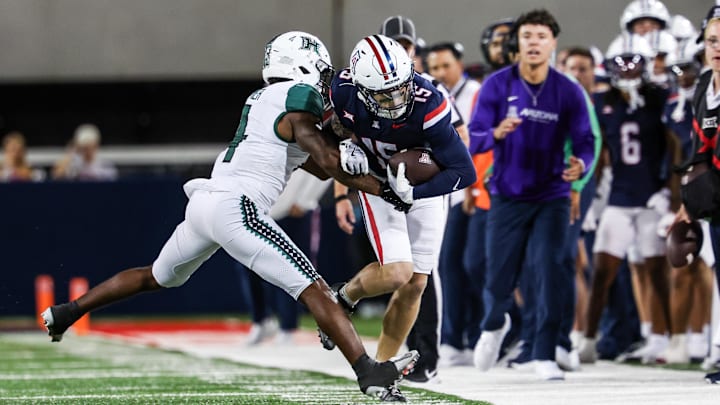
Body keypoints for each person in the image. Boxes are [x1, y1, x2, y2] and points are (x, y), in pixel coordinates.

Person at [41, 31, 418, 401]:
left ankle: (66, 312)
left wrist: (352, 162)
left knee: (155, 276)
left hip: (206, 204)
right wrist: (384, 188)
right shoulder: (296, 95)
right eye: (321, 73)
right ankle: (369, 371)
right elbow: (325, 158)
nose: (325, 83)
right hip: (236, 207)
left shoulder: (265, 100)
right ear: (303, 67)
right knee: (314, 288)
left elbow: (319, 167)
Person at [321, 34, 476, 376]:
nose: (394, 99)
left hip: (423, 185)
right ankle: (345, 295)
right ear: (362, 88)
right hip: (376, 183)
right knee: (397, 272)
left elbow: (465, 172)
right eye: (382, 94)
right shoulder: (342, 91)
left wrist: (414, 194)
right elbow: (324, 136)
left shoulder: (429, 100)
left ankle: (381, 370)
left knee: (417, 282)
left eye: (399, 88)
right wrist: (345, 147)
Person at [467, 9, 595, 380]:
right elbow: (473, 137)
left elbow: (586, 141)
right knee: (498, 276)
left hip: (553, 194)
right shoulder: (496, 85)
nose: (534, 43)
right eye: (527, 37)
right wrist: (496, 135)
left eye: (541, 36)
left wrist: (581, 166)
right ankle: (494, 324)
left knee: (550, 269)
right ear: (518, 44)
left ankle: (544, 353)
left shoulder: (567, 89)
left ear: (553, 43)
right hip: (507, 194)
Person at [577, 32, 677, 365]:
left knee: (656, 271)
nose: (630, 71)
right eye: (623, 64)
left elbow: (675, 147)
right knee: (602, 271)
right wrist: (593, 198)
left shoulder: (662, 98)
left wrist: (670, 193)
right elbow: (601, 154)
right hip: (619, 199)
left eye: (636, 64)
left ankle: (667, 339)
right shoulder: (605, 104)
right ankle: (589, 340)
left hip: (653, 200)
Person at [425, 41, 485, 369]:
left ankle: (471, 335)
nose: (440, 73)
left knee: (468, 266)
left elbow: (478, 142)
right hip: (446, 191)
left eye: (445, 66)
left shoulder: (474, 93)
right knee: (449, 267)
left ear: (460, 64)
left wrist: (475, 188)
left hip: (470, 190)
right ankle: (453, 338)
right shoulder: (431, 93)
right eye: (434, 68)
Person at [672, 4, 720, 384]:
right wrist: (687, 203)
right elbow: (697, 150)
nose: (718, 48)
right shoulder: (704, 85)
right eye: (713, 40)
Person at [52, 123, 118, 181]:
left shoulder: (105, 165)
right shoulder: (74, 163)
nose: (87, 148)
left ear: (96, 145)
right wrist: (72, 152)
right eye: (84, 145)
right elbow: (57, 176)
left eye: (90, 144)